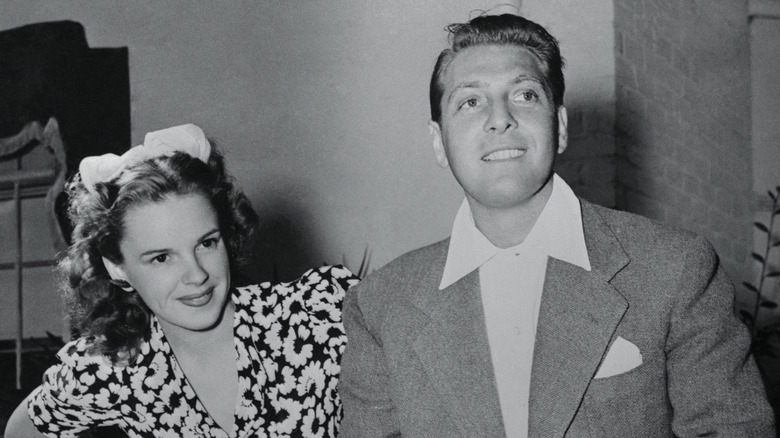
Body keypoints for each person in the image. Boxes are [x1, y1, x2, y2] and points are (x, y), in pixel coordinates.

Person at [338, 13, 775, 437]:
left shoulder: (676, 270)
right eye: (470, 101)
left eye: (524, 95)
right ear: (439, 142)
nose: (499, 117)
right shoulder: (381, 306)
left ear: (560, 126)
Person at [5, 124, 358, 438]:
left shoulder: (317, 312)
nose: (197, 275)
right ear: (117, 268)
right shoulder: (115, 369)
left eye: (206, 243)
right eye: (161, 257)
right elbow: (22, 430)